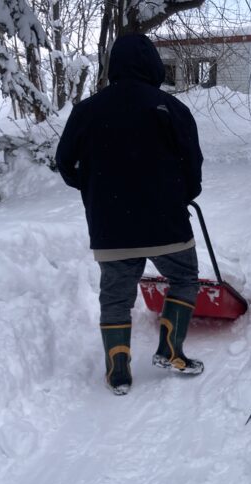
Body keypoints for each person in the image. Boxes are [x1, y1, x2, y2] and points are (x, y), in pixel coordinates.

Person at [55, 33, 204, 396]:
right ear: (153, 66)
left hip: (111, 227)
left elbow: (65, 163)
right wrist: (180, 195)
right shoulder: (171, 109)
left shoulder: (86, 111)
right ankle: (170, 350)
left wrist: (94, 190)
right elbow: (193, 166)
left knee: (116, 297)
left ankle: (118, 371)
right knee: (184, 276)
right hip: (166, 223)